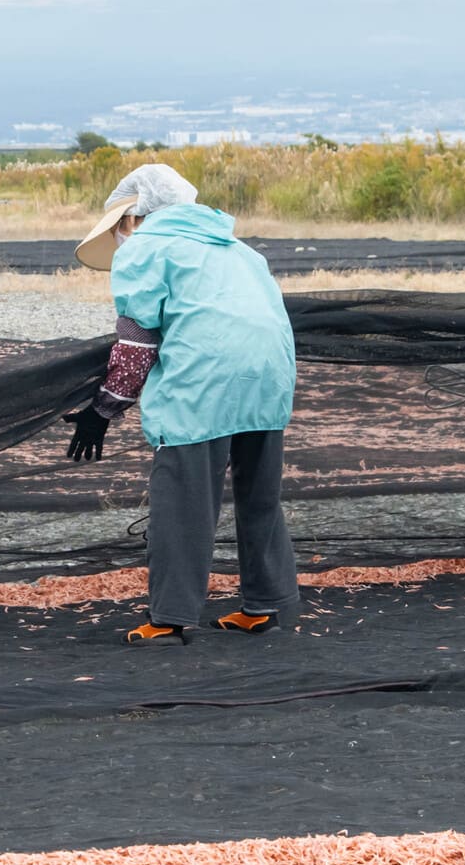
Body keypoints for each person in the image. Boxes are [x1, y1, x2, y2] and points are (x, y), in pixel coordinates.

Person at [65, 164, 300, 645]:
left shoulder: (146, 251)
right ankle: (266, 606)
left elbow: (136, 346)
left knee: (183, 499)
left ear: (134, 215)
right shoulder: (240, 250)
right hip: (269, 378)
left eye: (120, 225)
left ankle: (171, 619)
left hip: (203, 384)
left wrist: (101, 412)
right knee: (260, 496)